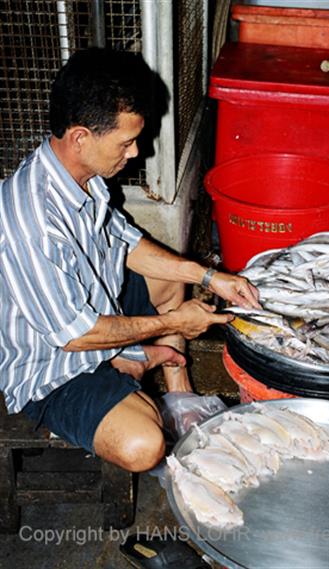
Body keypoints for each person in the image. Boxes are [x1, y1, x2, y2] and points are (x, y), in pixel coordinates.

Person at [0, 48, 260, 477]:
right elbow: (76, 334)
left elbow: (125, 242)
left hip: (95, 308)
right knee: (144, 444)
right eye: (125, 141)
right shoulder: (31, 221)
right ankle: (134, 366)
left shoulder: (82, 176)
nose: (136, 152)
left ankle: (178, 396)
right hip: (52, 364)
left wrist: (210, 277)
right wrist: (173, 324)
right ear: (81, 136)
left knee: (170, 277)